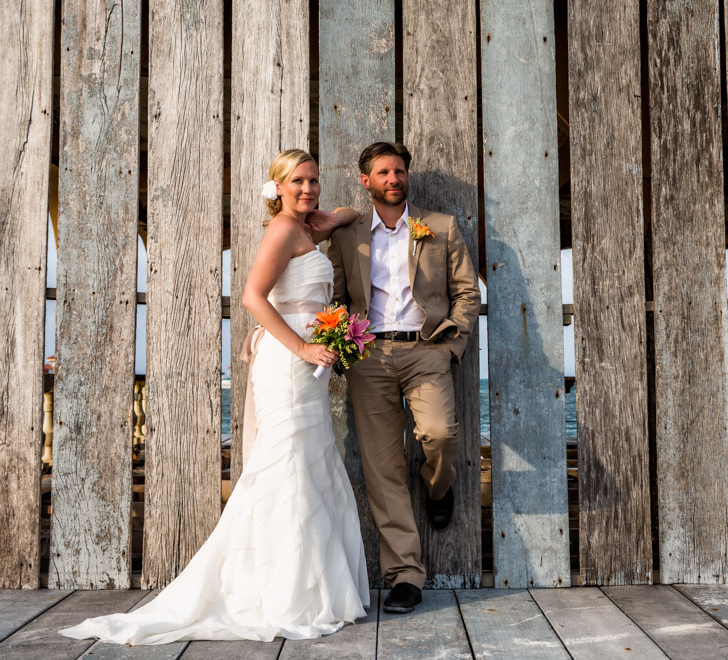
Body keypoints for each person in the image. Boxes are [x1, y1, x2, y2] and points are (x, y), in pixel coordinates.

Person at [61, 149, 368, 645]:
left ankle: (308, 588)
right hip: (291, 363)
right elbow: (251, 297)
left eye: (314, 181)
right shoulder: (282, 231)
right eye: (297, 182)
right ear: (277, 188)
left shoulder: (308, 227)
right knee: (285, 467)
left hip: (306, 364)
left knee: (310, 463)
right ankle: (280, 592)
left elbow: (349, 214)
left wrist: (328, 217)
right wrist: (302, 346)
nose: (308, 189)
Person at [318, 142, 480, 614]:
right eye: (384, 172)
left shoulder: (441, 227)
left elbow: (467, 292)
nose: (394, 178)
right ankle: (405, 576)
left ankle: (438, 483)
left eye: (400, 171)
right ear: (366, 181)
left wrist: (452, 343)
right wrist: (342, 344)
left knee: (440, 434)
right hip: (369, 355)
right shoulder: (348, 235)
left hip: (426, 350)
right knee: (382, 468)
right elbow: (332, 294)